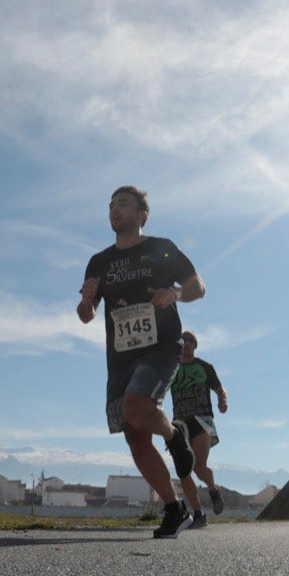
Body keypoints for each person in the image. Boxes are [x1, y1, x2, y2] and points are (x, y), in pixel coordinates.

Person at [78, 186, 205, 539]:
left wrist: (175, 293)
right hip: (120, 358)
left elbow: (198, 287)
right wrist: (87, 303)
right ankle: (173, 507)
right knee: (134, 435)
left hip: (161, 346)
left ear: (141, 215)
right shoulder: (99, 262)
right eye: (110, 206)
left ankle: (172, 433)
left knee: (136, 406)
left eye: (122, 204)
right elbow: (85, 316)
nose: (114, 210)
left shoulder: (161, 248)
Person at [170, 330, 229, 528]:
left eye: (190, 341)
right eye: (182, 341)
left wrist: (222, 401)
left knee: (199, 467)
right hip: (179, 423)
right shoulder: (170, 367)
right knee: (183, 471)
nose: (186, 344)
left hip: (201, 420)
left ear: (195, 345)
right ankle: (199, 514)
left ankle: (213, 489)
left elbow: (220, 389)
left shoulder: (205, 367)